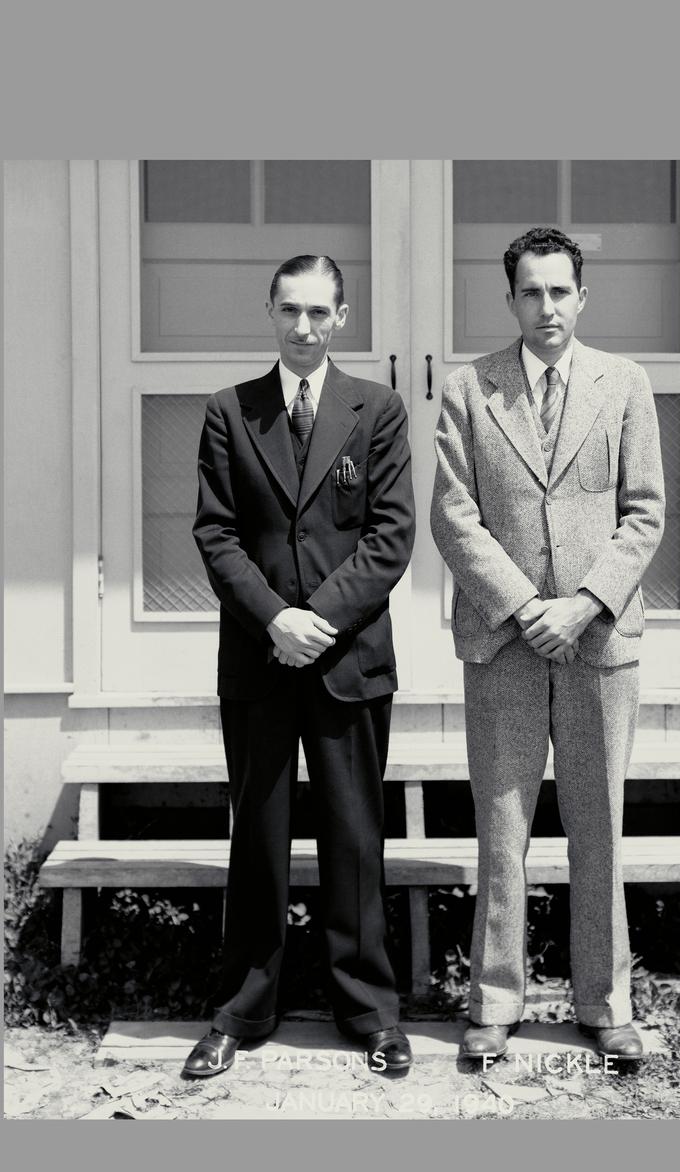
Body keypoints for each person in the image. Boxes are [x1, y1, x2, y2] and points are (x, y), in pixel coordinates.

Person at [430, 226, 665, 1062]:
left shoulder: (624, 383)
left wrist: (584, 605)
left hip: (599, 643)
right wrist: (528, 606)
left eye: (560, 290)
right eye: (530, 292)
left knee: (597, 826)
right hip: (505, 643)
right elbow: (453, 518)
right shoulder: (469, 389)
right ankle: (494, 1002)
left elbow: (644, 513)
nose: (546, 307)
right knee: (502, 829)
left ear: (581, 296)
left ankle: (606, 1005)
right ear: (510, 301)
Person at [186, 254, 415, 1077]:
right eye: (290, 310)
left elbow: (391, 535)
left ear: (342, 316)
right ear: (271, 313)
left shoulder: (377, 409)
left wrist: (316, 618)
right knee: (259, 835)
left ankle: (371, 1012)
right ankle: (242, 1011)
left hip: (346, 657)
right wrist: (275, 618)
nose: (304, 327)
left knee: (355, 838)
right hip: (258, 656)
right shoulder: (229, 410)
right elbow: (216, 533)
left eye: (319, 312)